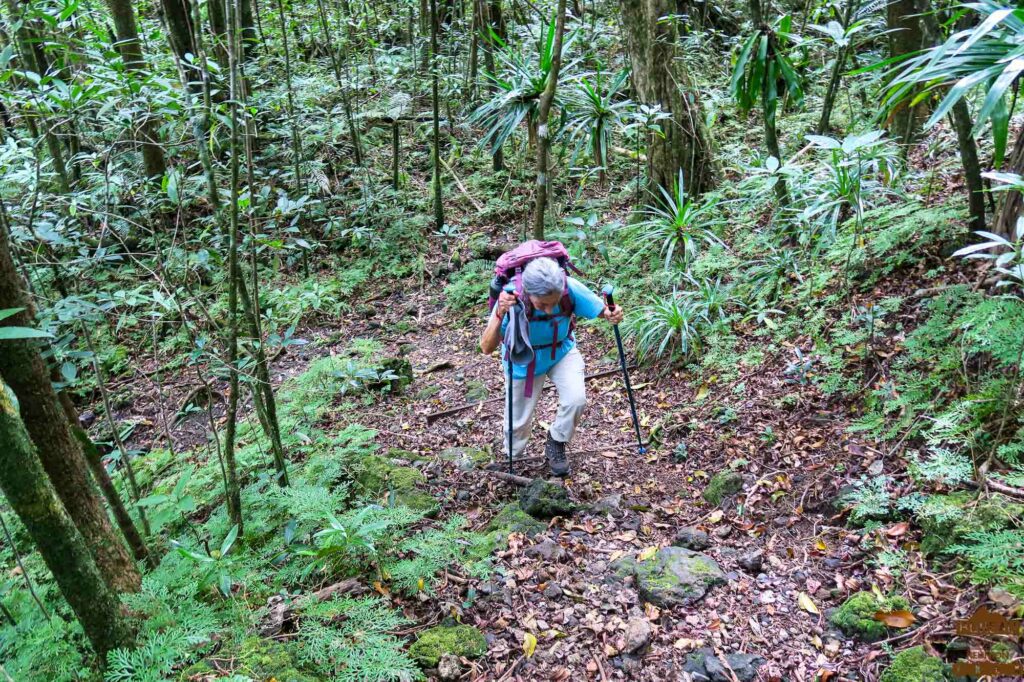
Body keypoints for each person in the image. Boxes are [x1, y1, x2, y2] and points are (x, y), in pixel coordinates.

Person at [480, 257, 624, 477]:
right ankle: (512, 456)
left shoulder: (569, 289)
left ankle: (557, 441)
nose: (548, 311)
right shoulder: (511, 299)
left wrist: (612, 313)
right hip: (523, 358)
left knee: (576, 399)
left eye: (553, 303)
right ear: (527, 292)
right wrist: (500, 313)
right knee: (517, 422)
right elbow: (486, 347)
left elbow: (602, 311)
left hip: (561, 350)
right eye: (542, 304)